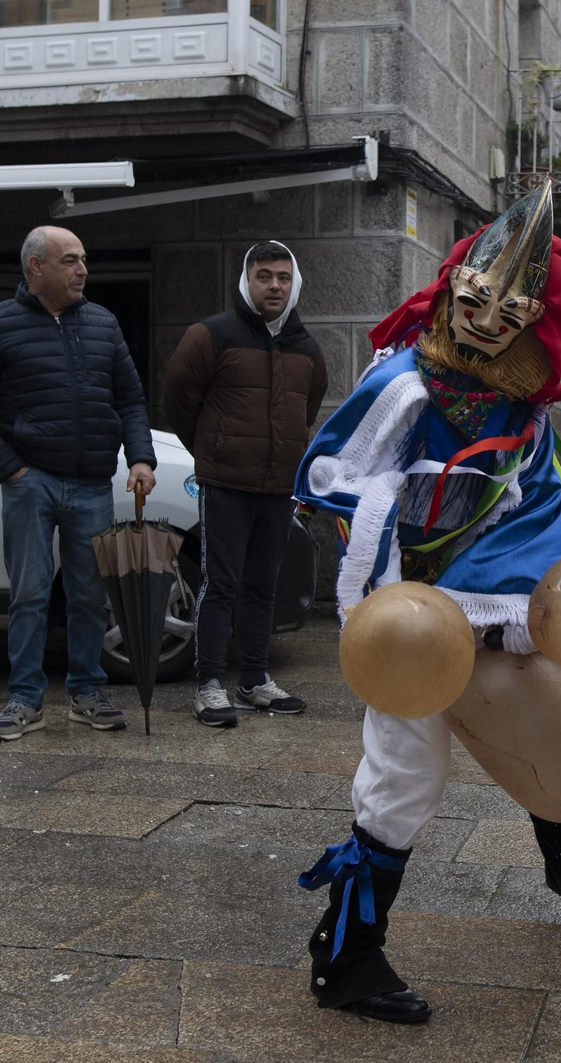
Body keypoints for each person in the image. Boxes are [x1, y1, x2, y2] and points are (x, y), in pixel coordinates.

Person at [292, 183, 561, 1025]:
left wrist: (527, 600)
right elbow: (335, 479)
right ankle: (346, 956)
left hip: (495, 602)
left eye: (509, 312)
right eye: (475, 300)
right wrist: (393, 586)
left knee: (541, 720)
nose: (485, 320)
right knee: (406, 774)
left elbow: (538, 506)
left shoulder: (519, 407)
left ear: (532, 324)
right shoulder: (405, 386)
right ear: (453, 288)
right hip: (412, 614)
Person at [0, 226, 156, 742]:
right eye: (70, 260)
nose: (83, 270)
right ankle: (24, 699)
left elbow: (130, 400)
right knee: (29, 595)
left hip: (94, 484)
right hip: (31, 482)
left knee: (88, 596)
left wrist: (140, 458)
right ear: (36, 267)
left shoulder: (103, 323)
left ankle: (86, 693)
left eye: (83, 259)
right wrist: (10, 469)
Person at [162, 241, 326, 728]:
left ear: (293, 284)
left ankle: (255, 680)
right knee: (221, 583)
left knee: (263, 585)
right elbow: (178, 402)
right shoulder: (211, 335)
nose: (274, 285)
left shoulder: (307, 347)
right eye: (263, 276)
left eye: (282, 277)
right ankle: (210, 685)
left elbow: (307, 410)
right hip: (226, 483)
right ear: (247, 281)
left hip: (279, 487)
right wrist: (214, 450)